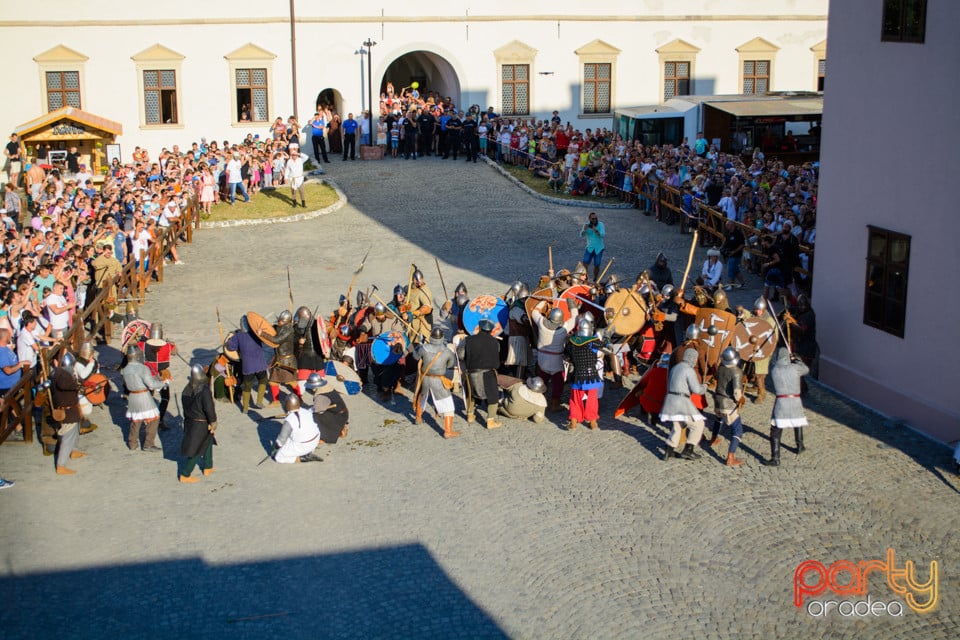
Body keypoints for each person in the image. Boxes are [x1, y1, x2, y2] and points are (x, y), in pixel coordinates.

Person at [660, 348, 707, 461]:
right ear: (692, 358)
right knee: (698, 424)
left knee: (678, 426)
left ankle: (669, 450)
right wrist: (704, 387)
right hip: (681, 400)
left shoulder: (675, 368)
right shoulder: (689, 370)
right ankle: (688, 450)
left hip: (670, 399)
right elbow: (696, 389)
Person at [764, 347, 809, 467]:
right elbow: (806, 369)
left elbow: (772, 364)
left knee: (776, 430)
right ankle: (800, 446)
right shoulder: (795, 368)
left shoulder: (775, 369)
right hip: (795, 400)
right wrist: (797, 360)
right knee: (797, 421)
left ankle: (776, 458)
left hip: (781, 402)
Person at [531, 300, 578, 413]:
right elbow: (575, 318)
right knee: (558, 383)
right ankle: (554, 404)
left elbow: (534, 312)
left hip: (542, 359)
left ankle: (538, 403)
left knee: (542, 380)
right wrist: (571, 304)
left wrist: (543, 301)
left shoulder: (542, 323)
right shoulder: (564, 329)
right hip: (556, 360)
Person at [413, 327, 459, 438]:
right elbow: (450, 365)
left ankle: (418, 418)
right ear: (442, 338)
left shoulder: (423, 348)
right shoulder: (447, 351)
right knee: (448, 405)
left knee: (422, 397)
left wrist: (418, 345)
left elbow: (415, 357)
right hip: (438, 380)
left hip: (425, 378)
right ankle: (448, 431)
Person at [457, 317, 502, 429]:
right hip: (488, 373)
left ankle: (470, 415)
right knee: (492, 396)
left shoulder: (468, 340)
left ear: (480, 328)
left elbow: (461, 355)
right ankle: (490, 421)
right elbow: (497, 357)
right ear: (491, 330)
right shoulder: (495, 342)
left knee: (471, 393)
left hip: (472, 371)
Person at [706, 347, 745, 467]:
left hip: (718, 400)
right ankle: (730, 457)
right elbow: (737, 393)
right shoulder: (737, 371)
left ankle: (713, 439)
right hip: (728, 404)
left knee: (719, 419)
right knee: (737, 430)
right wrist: (741, 399)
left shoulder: (720, 368)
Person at [122, 344, 166, 452]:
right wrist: (162, 383)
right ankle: (148, 444)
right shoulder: (142, 368)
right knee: (154, 419)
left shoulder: (125, 369)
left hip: (133, 397)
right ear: (138, 356)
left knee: (136, 421)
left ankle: (132, 443)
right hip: (143, 396)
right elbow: (151, 384)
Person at [564, 316, 604, 431]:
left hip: (577, 375)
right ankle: (593, 422)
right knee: (592, 399)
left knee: (575, 399)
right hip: (591, 375)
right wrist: (605, 337)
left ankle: (574, 422)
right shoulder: (593, 342)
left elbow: (566, 356)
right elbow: (606, 347)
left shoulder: (571, 342)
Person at [179, 364, 218, 483]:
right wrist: (213, 420)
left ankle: (208, 466)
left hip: (190, 421)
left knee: (208, 441)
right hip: (200, 423)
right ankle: (185, 474)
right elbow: (208, 407)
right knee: (197, 448)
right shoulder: (204, 390)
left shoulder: (187, 389)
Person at [51, 352, 86, 474]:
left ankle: (73, 451)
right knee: (67, 437)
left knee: (75, 432)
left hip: (72, 409)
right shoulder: (62, 375)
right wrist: (76, 385)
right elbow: (64, 385)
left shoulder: (61, 373)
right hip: (67, 411)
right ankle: (61, 465)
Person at [226, 316, 270, 413]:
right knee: (263, 380)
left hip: (248, 366)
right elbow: (266, 339)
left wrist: (229, 341)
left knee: (247, 386)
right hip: (260, 365)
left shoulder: (238, 336)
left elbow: (231, 347)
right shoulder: (256, 334)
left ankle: (245, 407)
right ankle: (259, 401)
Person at [140, 322, 176, 428]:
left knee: (149, 398)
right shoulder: (168, 346)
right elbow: (174, 351)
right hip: (161, 376)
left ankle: (150, 420)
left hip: (149, 375)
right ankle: (158, 420)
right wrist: (170, 343)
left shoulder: (143, 345)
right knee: (165, 397)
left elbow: (133, 348)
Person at [273, 394, 322, 463]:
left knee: (278, 457)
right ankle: (307, 451)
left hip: (304, 445)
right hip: (315, 440)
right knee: (292, 436)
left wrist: (276, 449)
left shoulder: (289, 420)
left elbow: (281, 441)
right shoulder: (306, 411)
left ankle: (303, 457)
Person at [268, 309, 297, 404]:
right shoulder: (279, 328)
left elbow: (276, 340)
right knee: (273, 381)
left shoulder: (289, 330)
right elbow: (273, 331)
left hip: (287, 360)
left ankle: (299, 398)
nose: (279, 322)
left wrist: (262, 334)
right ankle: (275, 401)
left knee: (291, 381)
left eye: (281, 321)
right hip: (278, 358)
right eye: (279, 320)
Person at [405, 269, 434, 344]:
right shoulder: (408, 288)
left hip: (422, 324)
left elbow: (427, 308)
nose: (419, 281)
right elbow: (404, 299)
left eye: (420, 279)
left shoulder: (424, 291)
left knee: (421, 348)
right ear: (413, 279)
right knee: (410, 346)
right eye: (416, 279)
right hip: (410, 323)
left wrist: (414, 313)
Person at [579, 212, 605, 282]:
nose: (594, 220)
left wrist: (595, 229)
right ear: (589, 219)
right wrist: (584, 230)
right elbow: (581, 235)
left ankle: (595, 278)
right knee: (585, 262)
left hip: (599, 248)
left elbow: (602, 235)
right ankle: (586, 277)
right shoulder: (586, 225)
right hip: (589, 247)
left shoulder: (601, 224)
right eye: (593, 219)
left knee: (597, 264)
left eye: (596, 218)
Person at [720, 220, 746, 289]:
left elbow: (742, 244)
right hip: (728, 253)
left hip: (736, 254)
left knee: (730, 269)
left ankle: (731, 285)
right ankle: (742, 283)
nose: (726, 226)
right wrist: (722, 247)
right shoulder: (727, 232)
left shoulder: (738, 233)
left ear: (732, 225)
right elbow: (725, 240)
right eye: (726, 225)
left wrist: (734, 251)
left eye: (728, 225)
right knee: (736, 270)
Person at [283, 143, 308, 208]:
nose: (294, 156)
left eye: (295, 155)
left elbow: (306, 157)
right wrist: (285, 178)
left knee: (301, 191)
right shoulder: (289, 161)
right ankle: (294, 203)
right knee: (293, 191)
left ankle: (303, 204)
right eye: (293, 155)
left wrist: (299, 154)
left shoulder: (300, 160)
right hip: (293, 178)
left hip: (299, 178)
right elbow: (287, 170)